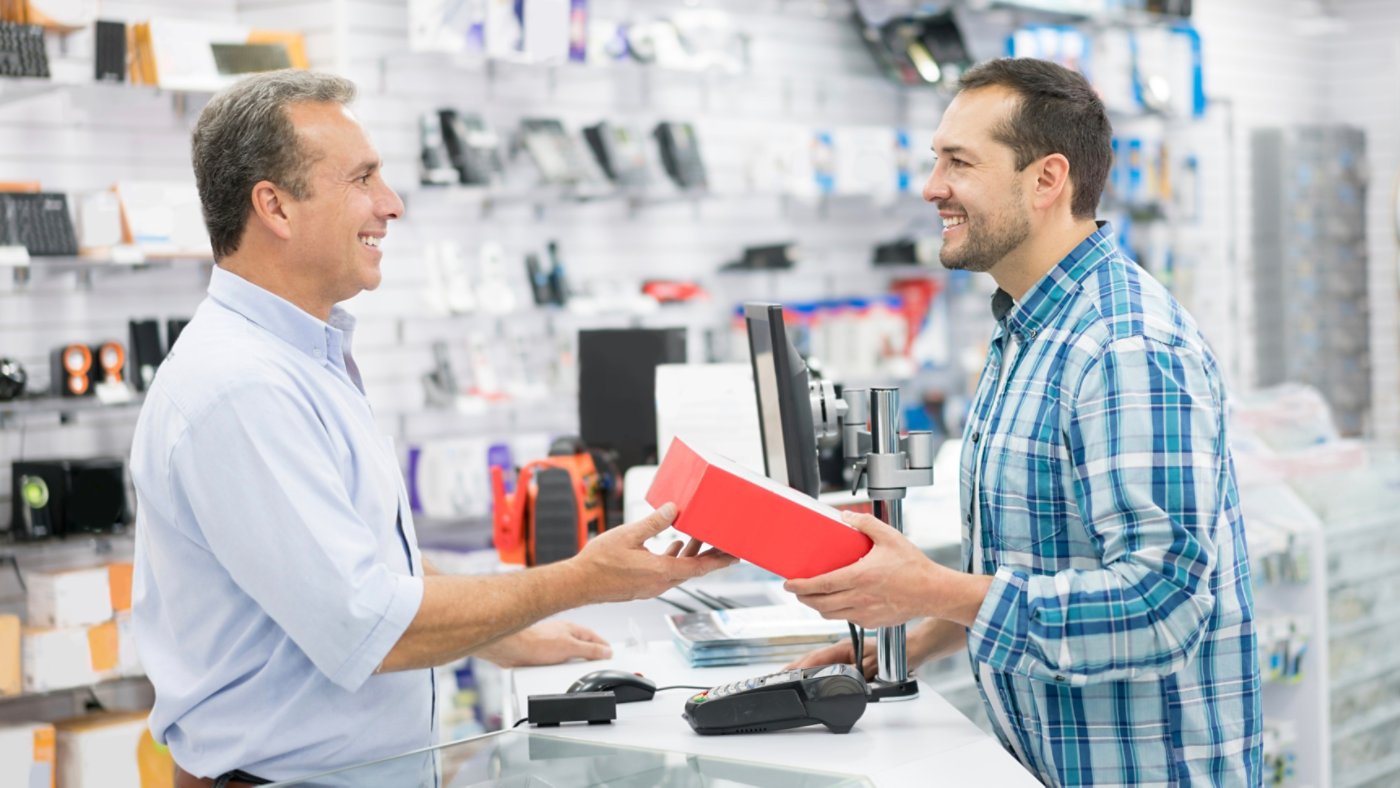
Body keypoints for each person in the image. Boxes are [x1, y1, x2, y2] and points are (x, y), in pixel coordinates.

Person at [129, 70, 735, 787]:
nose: (391, 204)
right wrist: (580, 580)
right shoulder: (240, 388)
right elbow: (368, 621)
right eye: (362, 179)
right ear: (276, 207)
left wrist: (501, 631)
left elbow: (362, 563)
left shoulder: (301, 359)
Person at [786, 58, 1261, 786]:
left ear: (1046, 180)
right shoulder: (1030, 329)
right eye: (934, 159)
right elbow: (1045, 570)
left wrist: (932, 588)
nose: (931, 186)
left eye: (959, 162)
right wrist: (912, 639)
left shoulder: (1125, 345)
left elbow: (1163, 606)